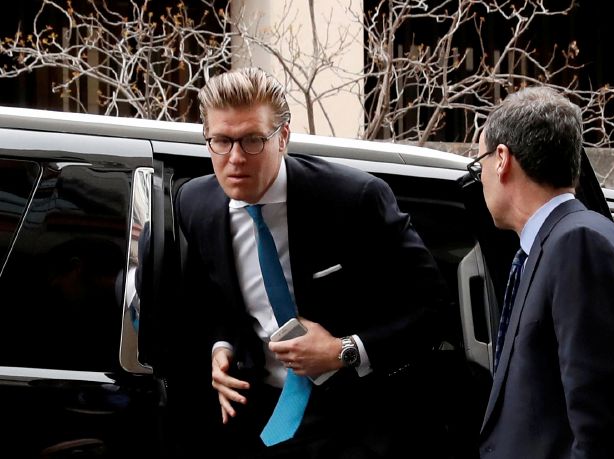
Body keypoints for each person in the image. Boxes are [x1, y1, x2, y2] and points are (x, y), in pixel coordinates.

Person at [169, 67, 451, 458]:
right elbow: (211, 297)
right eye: (221, 141)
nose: (235, 158)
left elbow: (433, 308)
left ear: (283, 136)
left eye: (252, 140)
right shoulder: (194, 204)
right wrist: (222, 347)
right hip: (255, 417)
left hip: (354, 420)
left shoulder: (355, 199)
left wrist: (342, 349)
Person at [470, 86, 614, 458]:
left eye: (479, 163)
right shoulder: (554, 242)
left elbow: (599, 426)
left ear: (502, 159)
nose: (480, 178)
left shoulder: (578, 243)